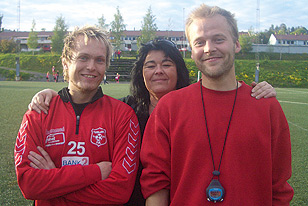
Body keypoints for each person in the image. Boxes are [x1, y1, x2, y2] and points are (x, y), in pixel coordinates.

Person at [27, 39, 277, 206]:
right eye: (150, 65)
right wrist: (54, 94)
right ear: (141, 73)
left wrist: (254, 91)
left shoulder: (199, 107)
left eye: (167, 64)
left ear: (179, 70)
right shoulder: (126, 110)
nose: (158, 70)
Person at [140, 4, 293, 206]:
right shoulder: (169, 107)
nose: (209, 48)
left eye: (218, 39)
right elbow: (156, 182)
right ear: (192, 51)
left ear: (236, 44)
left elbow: (279, 187)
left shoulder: (266, 106)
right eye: (199, 42)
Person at [14, 25, 140, 205]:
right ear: (65, 62)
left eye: (99, 60)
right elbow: (29, 184)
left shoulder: (122, 116)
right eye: (83, 58)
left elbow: (119, 191)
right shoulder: (38, 114)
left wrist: (53, 181)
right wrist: (95, 172)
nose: (91, 67)